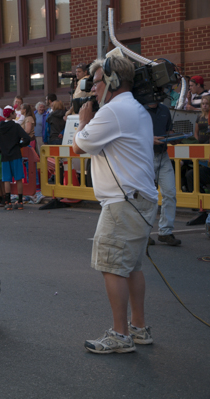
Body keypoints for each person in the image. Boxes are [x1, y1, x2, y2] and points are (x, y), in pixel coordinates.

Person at [73, 56, 158, 354]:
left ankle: (120, 335)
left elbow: (77, 146)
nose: (92, 91)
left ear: (111, 81)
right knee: (131, 267)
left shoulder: (113, 111)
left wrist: (83, 122)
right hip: (138, 200)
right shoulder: (135, 109)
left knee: (113, 267)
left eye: (95, 83)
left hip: (123, 203)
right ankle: (138, 328)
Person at [146, 102, 181, 246]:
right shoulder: (138, 109)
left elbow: (168, 131)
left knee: (170, 193)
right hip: (145, 156)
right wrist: (149, 139)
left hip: (162, 155)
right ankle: (143, 233)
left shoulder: (165, 109)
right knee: (146, 196)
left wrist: (175, 137)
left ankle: (165, 231)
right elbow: (130, 136)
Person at [0, 105, 31, 210]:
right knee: (18, 178)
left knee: (6, 179)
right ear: (11, 114)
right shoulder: (15, 126)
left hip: (5, 155)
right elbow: (27, 138)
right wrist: (20, 145)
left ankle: (8, 201)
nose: (15, 114)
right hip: (15, 154)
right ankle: (20, 201)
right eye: (14, 112)